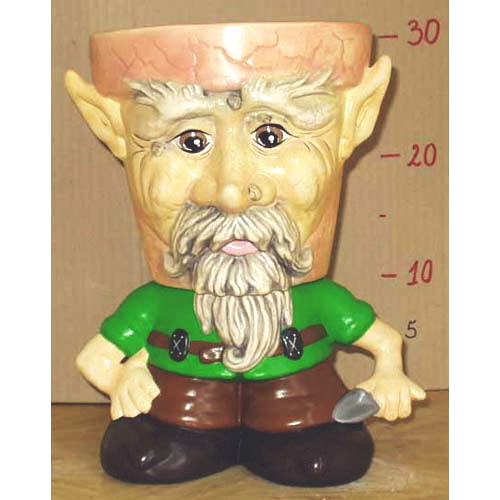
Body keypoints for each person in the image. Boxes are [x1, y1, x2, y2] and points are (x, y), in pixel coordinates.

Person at [66, 22, 425, 486]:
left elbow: (384, 341)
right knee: (139, 455)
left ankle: (297, 435)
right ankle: (191, 435)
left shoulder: (317, 299)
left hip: (298, 405)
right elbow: (96, 358)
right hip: (183, 408)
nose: (231, 194)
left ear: (354, 119)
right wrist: (123, 382)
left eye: (271, 136)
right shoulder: (157, 302)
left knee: (320, 458)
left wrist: (389, 374)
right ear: (113, 127)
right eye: (190, 142)